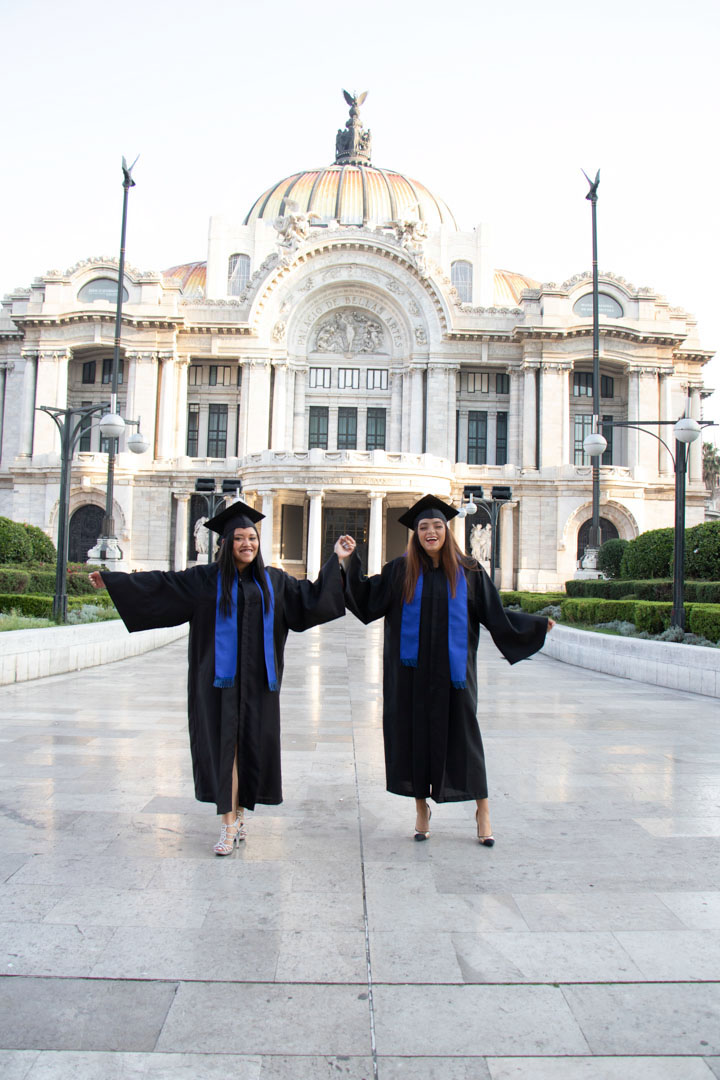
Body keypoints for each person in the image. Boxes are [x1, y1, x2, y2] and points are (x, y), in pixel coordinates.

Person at [90, 500, 348, 855]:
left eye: (252, 538)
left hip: (259, 685)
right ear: (225, 544)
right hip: (216, 684)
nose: (247, 544)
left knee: (248, 749)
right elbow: (163, 585)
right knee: (224, 750)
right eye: (239, 538)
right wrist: (113, 581)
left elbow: (313, 599)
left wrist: (337, 560)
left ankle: (239, 814)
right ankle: (227, 824)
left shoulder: (274, 581)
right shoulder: (204, 581)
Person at [337, 495, 552, 845]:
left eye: (437, 526)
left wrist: (534, 625)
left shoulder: (469, 571)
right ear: (416, 533)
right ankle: (421, 808)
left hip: (454, 677)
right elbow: (365, 599)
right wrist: (349, 563)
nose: (430, 531)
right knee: (415, 738)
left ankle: (482, 809)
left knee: (465, 738)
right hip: (410, 677)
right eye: (423, 527)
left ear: (447, 530)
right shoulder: (399, 570)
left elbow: (494, 614)